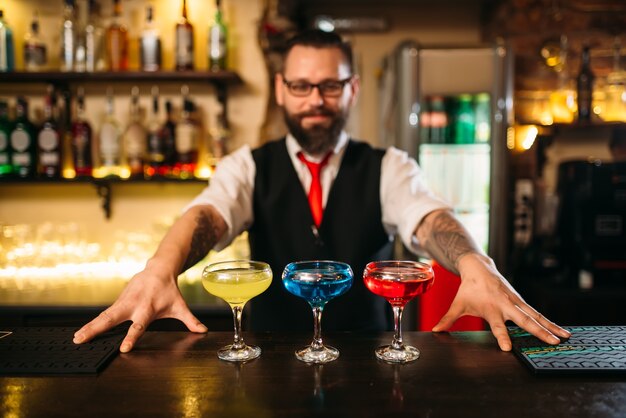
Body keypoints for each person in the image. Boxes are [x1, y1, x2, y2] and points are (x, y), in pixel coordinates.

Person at [73, 29, 570, 353]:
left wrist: (474, 263)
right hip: (268, 371)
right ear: (280, 88)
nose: (316, 100)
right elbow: (209, 214)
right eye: (301, 86)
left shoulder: (388, 166)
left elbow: (429, 219)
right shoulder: (248, 166)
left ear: (351, 89)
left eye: (331, 87)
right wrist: (161, 268)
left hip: (372, 371)